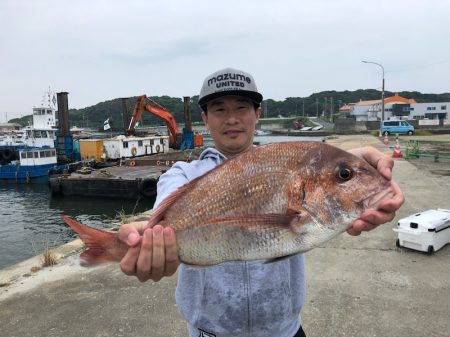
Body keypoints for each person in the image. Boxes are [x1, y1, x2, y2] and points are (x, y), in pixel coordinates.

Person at [118, 67, 404, 337]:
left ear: (257, 114)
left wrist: (355, 172)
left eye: (241, 107)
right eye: (219, 110)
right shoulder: (183, 173)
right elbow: (161, 219)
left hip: (284, 330)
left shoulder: (287, 164)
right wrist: (138, 238)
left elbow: (308, 168)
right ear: (205, 119)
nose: (231, 119)